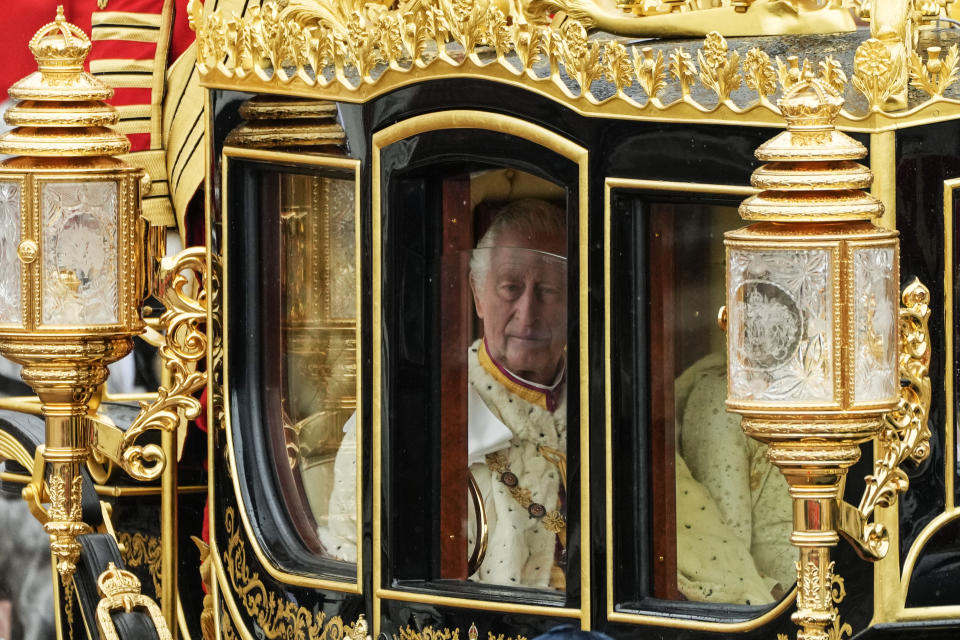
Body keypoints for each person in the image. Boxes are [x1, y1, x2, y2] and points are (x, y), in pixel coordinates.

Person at [319, 198, 569, 590]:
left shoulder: (611, 406)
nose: (527, 312)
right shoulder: (407, 420)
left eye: (549, 291)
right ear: (477, 294)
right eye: (510, 287)